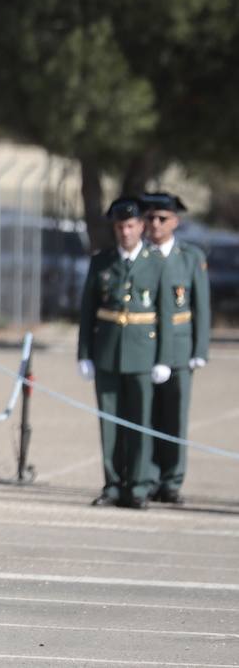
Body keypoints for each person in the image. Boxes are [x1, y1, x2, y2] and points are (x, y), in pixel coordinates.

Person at [77, 196, 171, 509]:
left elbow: (165, 313)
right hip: (107, 352)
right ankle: (114, 485)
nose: (125, 232)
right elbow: (88, 310)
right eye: (120, 226)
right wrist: (84, 353)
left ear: (141, 227)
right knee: (110, 424)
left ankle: (139, 487)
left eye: (130, 226)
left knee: (141, 423)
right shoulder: (101, 261)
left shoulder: (157, 263)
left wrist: (164, 358)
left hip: (143, 354)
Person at [141, 192, 210, 505]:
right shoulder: (141, 254)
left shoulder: (189, 256)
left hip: (180, 350)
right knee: (146, 416)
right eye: (150, 218)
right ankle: (149, 476)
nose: (155, 224)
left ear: (175, 222)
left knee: (174, 417)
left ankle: (171, 480)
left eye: (162, 219)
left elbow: (201, 305)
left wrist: (200, 349)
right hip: (146, 346)